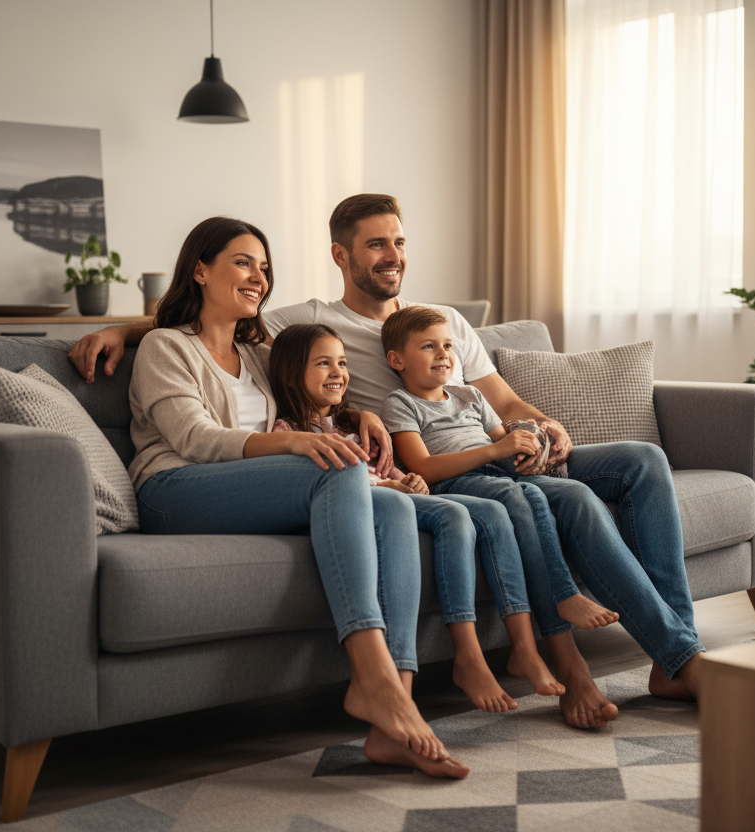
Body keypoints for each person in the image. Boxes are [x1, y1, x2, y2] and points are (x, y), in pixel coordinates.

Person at [69, 194, 706, 728]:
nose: (392, 256)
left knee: (643, 460)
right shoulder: (303, 323)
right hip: (436, 466)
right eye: (376, 245)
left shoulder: (423, 324)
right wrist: (121, 330)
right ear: (341, 256)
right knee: (532, 500)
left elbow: (501, 399)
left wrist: (541, 423)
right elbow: (198, 346)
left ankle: (675, 656)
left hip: (489, 448)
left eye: (398, 243)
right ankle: (646, 660)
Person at [126, 216, 467, 778]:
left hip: (247, 493)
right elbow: (196, 439)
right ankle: (373, 679)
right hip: (174, 492)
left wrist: (360, 412)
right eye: (243, 262)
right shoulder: (166, 347)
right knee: (333, 467)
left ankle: (394, 712)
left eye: (264, 267)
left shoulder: (258, 352)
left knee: (394, 504)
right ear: (200, 269)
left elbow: (310, 395)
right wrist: (299, 442)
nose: (259, 276)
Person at [267, 322, 565, 713]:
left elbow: (387, 468)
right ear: (291, 375)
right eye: (324, 364)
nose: (339, 372)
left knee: (483, 513)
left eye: (342, 362)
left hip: (395, 495)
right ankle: (469, 657)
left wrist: (406, 479)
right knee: (457, 515)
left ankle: (498, 649)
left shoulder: (354, 425)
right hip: (357, 504)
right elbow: (316, 484)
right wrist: (391, 488)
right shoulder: (287, 431)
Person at [378, 304, 621, 651]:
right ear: (396, 359)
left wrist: (526, 444)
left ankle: (565, 596)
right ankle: (562, 593)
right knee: (514, 495)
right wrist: (496, 451)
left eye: (448, 345)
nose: (443, 354)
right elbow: (425, 468)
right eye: (428, 346)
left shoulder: (470, 394)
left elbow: (499, 436)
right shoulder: (400, 404)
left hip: (497, 473)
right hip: (456, 481)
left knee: (536, 495)